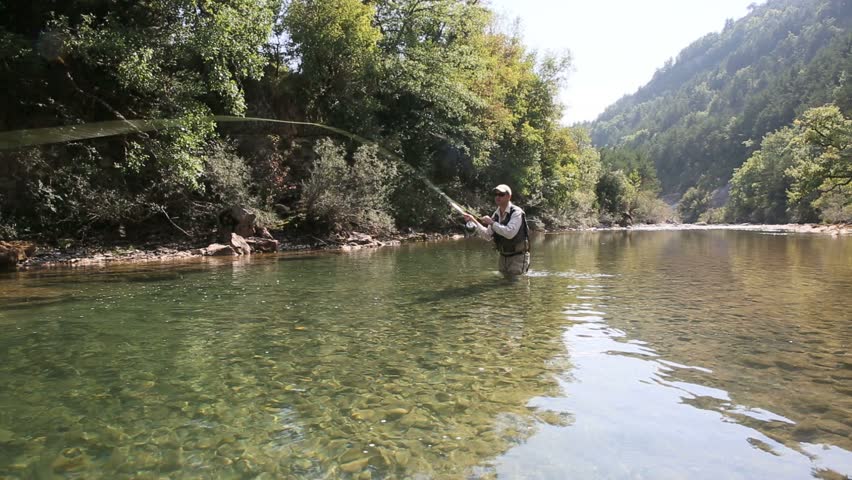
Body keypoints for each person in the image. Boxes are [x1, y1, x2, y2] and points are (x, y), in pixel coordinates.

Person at [463, 184, 531, 275]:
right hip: (503, 257)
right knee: (503, 283)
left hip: (518, 256)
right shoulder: (496, 214)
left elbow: (509, 233)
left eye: (501, 194)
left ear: (509, 197)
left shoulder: (516, 212)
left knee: (516, 284)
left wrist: (491, 223)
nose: (498, 197)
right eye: (496, 194)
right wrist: (474, 220)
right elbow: (488, 236)